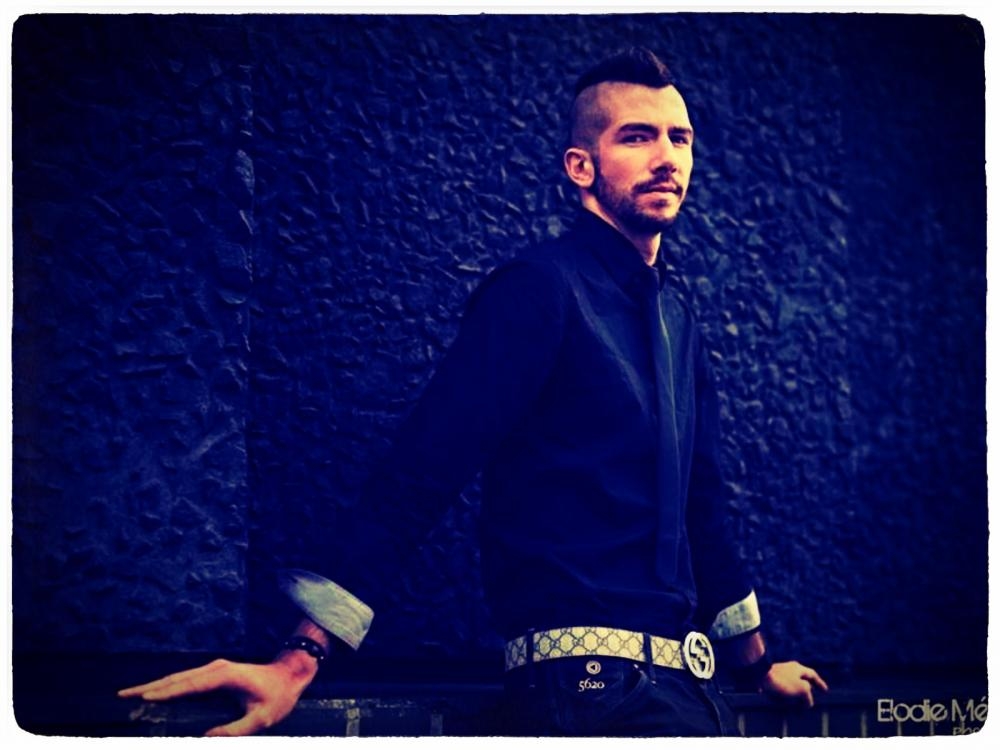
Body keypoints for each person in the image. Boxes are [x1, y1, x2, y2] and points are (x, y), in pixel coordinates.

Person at [119, 47, 827, 736]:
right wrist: (300, 655)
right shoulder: (539, 290)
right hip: (585, 695)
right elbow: (423, 472)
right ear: (581, 167)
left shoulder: (677, 316)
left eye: (680, 138)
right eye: (637, 137)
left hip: (685, 693)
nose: (666, 157)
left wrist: (758, 663)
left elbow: (703, 506)